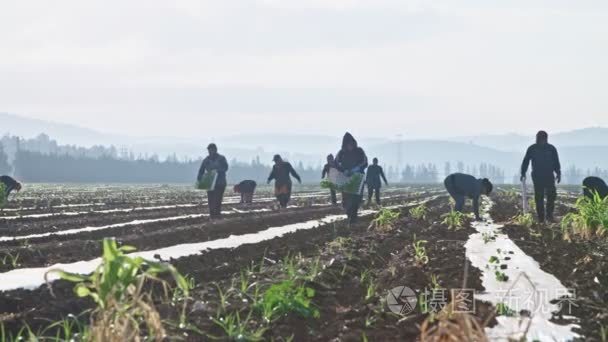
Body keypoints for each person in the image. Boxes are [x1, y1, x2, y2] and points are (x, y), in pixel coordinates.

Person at [520, 131, 561, 223]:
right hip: (537, 176)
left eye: (541, 138)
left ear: (546, 139)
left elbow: (556, 162)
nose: (539, 140)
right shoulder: (532, 148)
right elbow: (526, 161)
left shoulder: (551, 149)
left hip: (549, 175)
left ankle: (549, 215)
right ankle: (541, 218)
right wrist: (523, 172)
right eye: (538, 138)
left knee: (551, 195)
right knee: (539, 197)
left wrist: (558, 172)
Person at [335, 132, 368, 224]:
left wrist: (356, 169)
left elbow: (365, 162)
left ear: (353, 143)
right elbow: (336, 163)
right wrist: (343, 170)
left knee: (356, 199)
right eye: (347, 144)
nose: (349, 146)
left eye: (351, 143)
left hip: (357, 178)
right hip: (346, 178)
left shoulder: (359, 151)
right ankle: (349, 215)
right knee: (346, 199)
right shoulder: (341, 153)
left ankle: (353, 217)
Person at [197, 143, 229, 219]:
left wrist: (218, 171)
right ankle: (212, 216)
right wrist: (200, 179)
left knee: (217, 199)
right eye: (209, 150)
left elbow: (226, 168)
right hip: (209, 181)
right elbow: (201, 170)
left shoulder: (221, 158)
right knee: (210, 200)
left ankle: (217, 215)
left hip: (220, 182)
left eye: (211, 150)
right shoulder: (206, 160)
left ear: (215, 150)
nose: (210, 151)